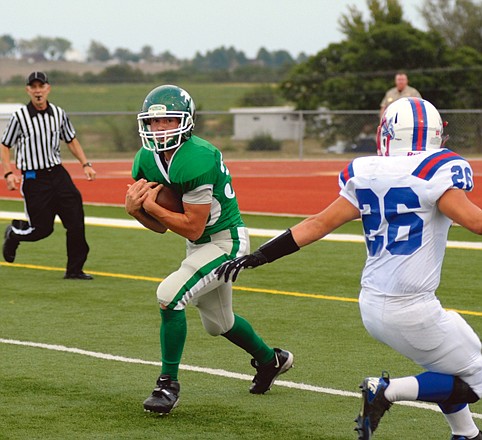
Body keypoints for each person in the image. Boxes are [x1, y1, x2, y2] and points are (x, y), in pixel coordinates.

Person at [216, 97, 482, 440]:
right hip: (410, 306)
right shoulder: (435, 171)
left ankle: (466, 433)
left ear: (387, 134)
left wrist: (263, 255)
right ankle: (386, 391)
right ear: (435, 134)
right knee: (474, 378)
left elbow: (318, 223)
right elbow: (475, 221)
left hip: (372, 303)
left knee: (446, 363)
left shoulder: (367, 173)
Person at [125, 84, 293, 415]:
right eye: (155, 123)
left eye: (168, 121)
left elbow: (193, 225)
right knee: (218, 323)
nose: (160, 129)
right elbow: (162, 227)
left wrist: (152, 208)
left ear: (185, 122)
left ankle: (167, 385)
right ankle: (271, 360)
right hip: (199, 244)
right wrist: (137, 211)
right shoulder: (145, 159)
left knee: (169, 295)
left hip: (226, 242)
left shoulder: (198, 157)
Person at [1, 71, 96, 280]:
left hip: (58, 174)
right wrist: (8, 172)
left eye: (41, 86)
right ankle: (15, 233)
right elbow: (5, 145)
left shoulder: (59, 113)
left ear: (48, 88)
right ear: (28, 90)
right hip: (34, 178)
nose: (37, 91)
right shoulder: (20, 117)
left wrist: (85, 164)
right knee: (42, 230)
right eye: (33, 87)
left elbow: (71, 139)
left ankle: (74, 269)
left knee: (76, 221)